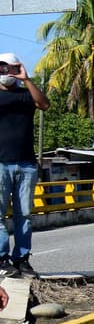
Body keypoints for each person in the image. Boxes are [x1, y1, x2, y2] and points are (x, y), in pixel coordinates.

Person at [0, 52, 50, 278]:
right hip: (1, 163)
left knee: (24, 215)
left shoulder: (25, 95)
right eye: (1, 67)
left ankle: (21, 258)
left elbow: (44, 104)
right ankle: (2, 259)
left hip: (26, 163)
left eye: (9, 67)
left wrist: (26, 79)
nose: (5, 71)